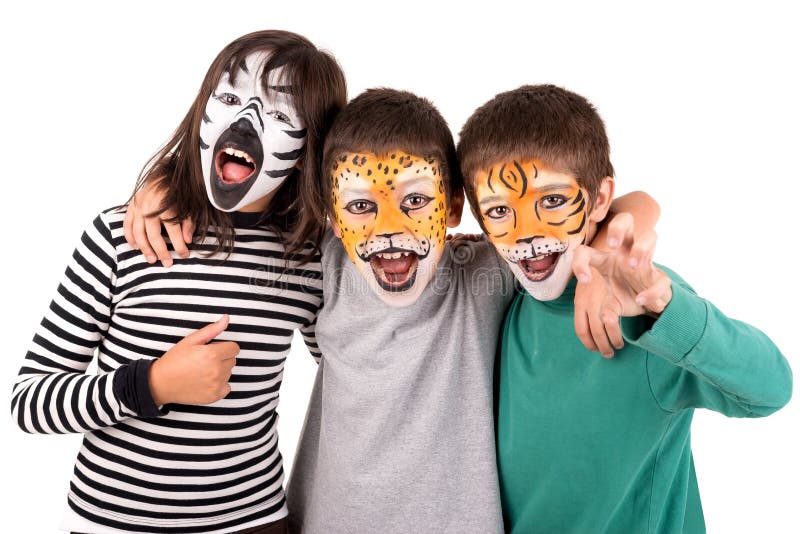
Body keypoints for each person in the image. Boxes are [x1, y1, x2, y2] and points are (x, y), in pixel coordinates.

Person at [10, 30, 346, 534]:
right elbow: (29, 402)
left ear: (306, 151)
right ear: (202, 112)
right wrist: (152, 383)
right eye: (230, 98)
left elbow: (348, 380)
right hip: (112, 522)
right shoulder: (120, 235)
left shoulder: (307, 258)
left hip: (252, 521)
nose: (244, 121)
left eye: (280, 115)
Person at [457, 84, 794, 533]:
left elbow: (770, 389)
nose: (524, 233)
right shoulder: (501, 293)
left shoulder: (643, 309)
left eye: (552, 201)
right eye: (498, 211)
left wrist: (664, 306)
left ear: (598, 200)